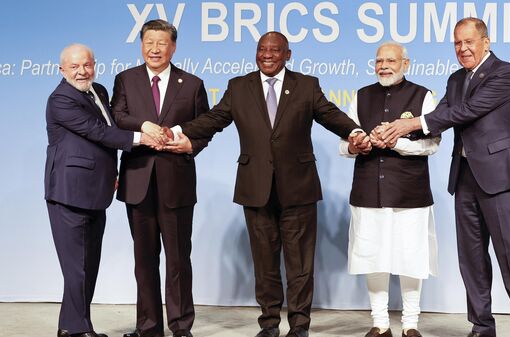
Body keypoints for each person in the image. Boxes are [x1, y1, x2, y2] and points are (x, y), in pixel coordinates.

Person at [164, 31, 369, 337]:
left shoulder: (306, 85)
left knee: (300, 265)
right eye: (262, 50)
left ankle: (299, 326)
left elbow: (329, 115)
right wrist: (179, 130)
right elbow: (215, 119)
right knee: (265, 263)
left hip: (298, 188)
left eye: (275, 50)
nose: (267, 55)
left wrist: (354, 132)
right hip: (255, 187)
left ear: (288, 54)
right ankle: (269, 324)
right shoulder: (238, 87)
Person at [379, 18, 510, 337]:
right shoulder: (455, 79)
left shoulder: (504, 72)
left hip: (500, 176)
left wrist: (409, 124)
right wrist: (394, 135)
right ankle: (481, 326)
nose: (463, 48)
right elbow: (439, 119)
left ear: (486, 42)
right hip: (465, 177)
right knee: (471, 258)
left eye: (469, 42)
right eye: (457, 43)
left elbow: (468, 111)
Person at [45, 44, 154, 337]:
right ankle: (78, 329)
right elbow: (98, 132)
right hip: (71, 192)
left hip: (96, 190)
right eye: (74, 67)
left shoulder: (99, 90)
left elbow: (107, 128)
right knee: (78, 266)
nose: (82, 72)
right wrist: (143, 137)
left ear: (95, 64)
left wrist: (112, 172)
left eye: (87, 65)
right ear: (62, 70)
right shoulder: (61, 99)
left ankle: (71, 326)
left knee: (86, 264)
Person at [111, 19, 210, 337]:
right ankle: (148, 327)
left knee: (179, 259)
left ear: (173, 47)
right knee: (144, 260)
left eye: (162, 42)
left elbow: (203, 126)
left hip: (177, 183)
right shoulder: (125, 79)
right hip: (138, 180)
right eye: (149, 41)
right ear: (141, 45)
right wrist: (144, 127)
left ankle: (181, 327)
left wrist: (190, 143)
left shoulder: (192, 84)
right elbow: (117, 117)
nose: (155, 48)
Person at [340, 41, 440, 337]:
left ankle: (411, 324)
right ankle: (380, 323)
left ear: (405, 64)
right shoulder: (360, 96)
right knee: (374, 257)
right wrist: (357, 145)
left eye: (390, 61)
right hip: (368, 191)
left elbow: (432, 145)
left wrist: (396, 141)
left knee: (412, 257)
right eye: (379, 61)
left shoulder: (423, 96)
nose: (383, 66)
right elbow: (344, 144)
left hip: (410, 193)